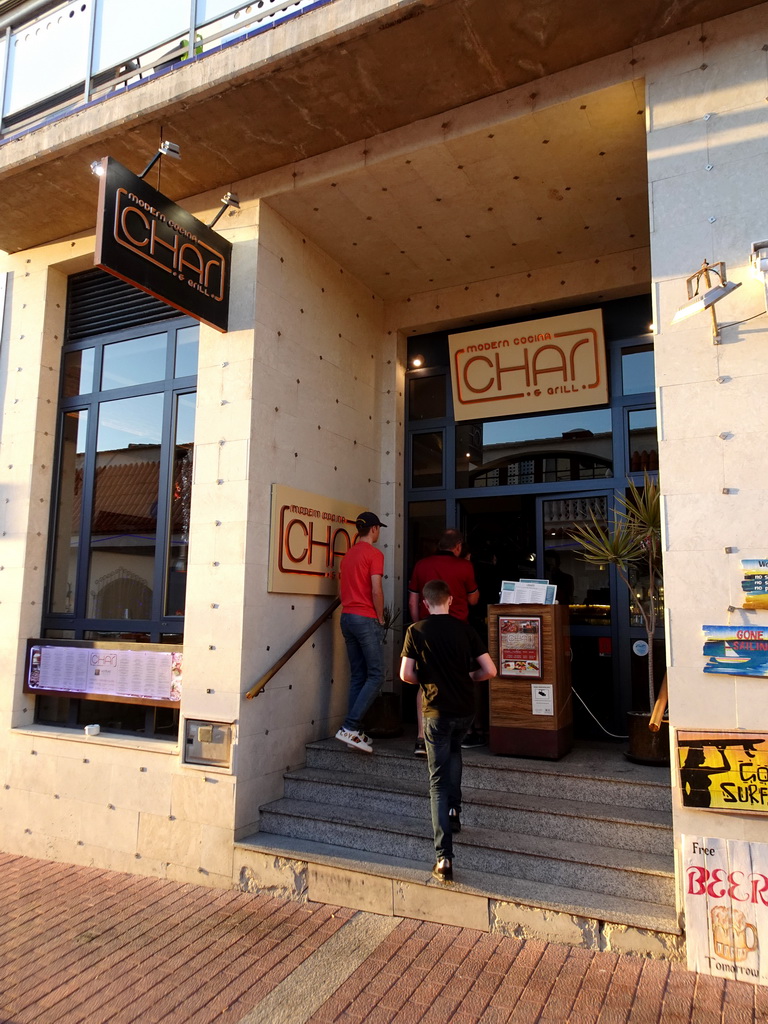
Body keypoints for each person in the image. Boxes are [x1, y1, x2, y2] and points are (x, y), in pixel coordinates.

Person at [400, 579, 497, 883]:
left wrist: (429, 680)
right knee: (455, 753)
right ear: (452, 600)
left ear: (426, 603)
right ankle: (455, 812)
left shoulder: (416, 631)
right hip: (464, 710)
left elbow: (406, 675)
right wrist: (468, 675)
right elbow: (490, 670)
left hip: (436, 711)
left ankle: (443, 858)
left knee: (437, 783)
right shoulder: (465, 630)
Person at [408, 529, 480, 756]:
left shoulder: (421, 565)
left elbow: (412, 601)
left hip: (427, 629)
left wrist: (419, 627)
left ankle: (421, 739)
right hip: (458, 630)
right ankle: (464, 733)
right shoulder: (465, 567)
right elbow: (473, 598)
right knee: (462, 678)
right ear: (458, 546)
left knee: (425, 682)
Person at [336, 511, 387, 754]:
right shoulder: (374, 554)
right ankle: (350, 726)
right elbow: (376, 589)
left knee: (358, 675)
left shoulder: (348, 555)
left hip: (346, 617)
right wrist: (380, 616)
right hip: (365, 618)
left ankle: (353, 731)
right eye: (379, 529)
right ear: (374, 529)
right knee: (376, 675)